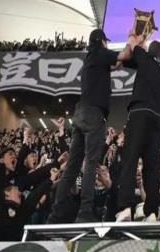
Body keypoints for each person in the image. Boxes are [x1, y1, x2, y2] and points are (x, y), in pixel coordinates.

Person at [49, 29, 134, 223]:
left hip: (80, 114)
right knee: (91, 163)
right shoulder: (99, 52)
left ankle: (56, 213)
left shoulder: (92, 58)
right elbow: (125, 55)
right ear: (102, 41)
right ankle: (85, 211)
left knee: (72, 166)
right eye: (106, 42)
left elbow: (116, 64)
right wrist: (132, 37)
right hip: (94, 114)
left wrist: (123, 53)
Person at [116, 39, 160, 222]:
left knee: (130, 158)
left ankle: (125, 208)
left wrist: (138, 40)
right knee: (152, 166)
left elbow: (133, 43)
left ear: (149, 52)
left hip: (140, 112)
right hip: (158, 118)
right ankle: (152, 211)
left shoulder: (144, 58)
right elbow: (131, 60)